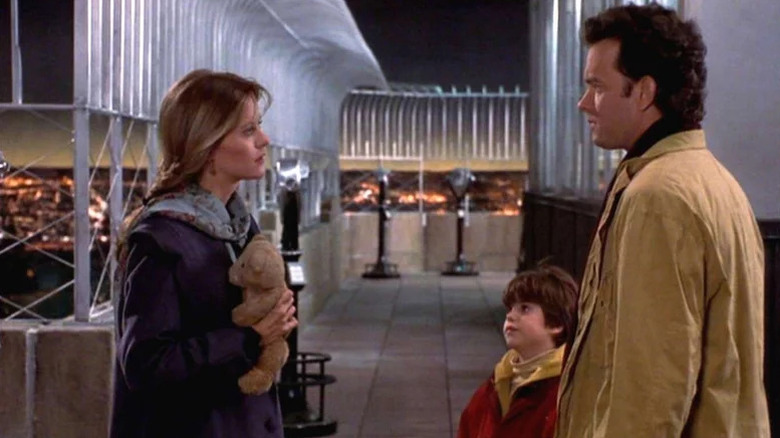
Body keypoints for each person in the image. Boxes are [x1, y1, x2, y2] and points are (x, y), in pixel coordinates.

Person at [556, 4, 769, 438]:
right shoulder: (715, 182)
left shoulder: (658, 199)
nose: (583, 103)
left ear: (644, 91)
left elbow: (650, 395)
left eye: (597, 86)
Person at [110, 69, 297, 438]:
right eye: (248, 131)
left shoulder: (239, 227)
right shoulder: (161, 240)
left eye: (258, 126)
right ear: (207, 147)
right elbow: (146, 366)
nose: (264, 139)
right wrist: (250, 337)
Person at [458, 265, 578, 438]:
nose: (510, 316)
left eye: (525, 309)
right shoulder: (496, 384)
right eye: (510, 308)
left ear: (556, 323)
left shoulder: (563, 392)